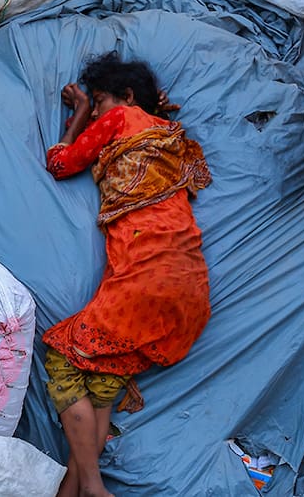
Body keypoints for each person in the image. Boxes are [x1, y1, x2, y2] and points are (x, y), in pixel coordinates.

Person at [42, 52, 212, 497]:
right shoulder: (169, 135)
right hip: (189, 286)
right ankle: (73, 489)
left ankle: (95, 488)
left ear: (127, 98)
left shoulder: (122, 118)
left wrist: (79, 112)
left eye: (100, 99)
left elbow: (61, 163)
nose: (98, 109)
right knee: (102, 379)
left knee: (62, 355)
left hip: (145, 273)